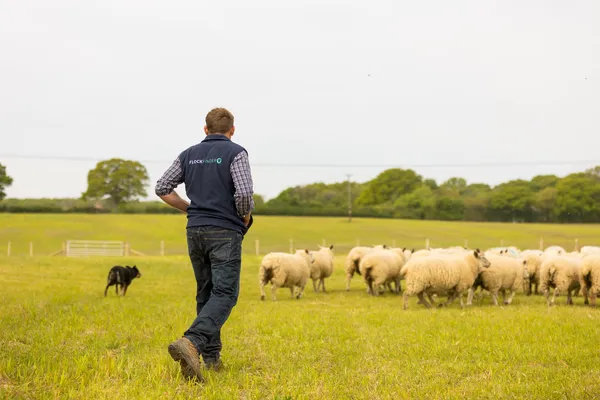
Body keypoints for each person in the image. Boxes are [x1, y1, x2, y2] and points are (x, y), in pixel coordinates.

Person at [155, 107, 254, 383]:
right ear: (232, 130)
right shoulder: (237, 153)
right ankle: (192, 342)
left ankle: (210, 359)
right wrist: (244, 217)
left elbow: (162, 187)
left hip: (195, 230)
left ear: (205, 129)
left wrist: (189, 208)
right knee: (225, 293)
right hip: (224, 230)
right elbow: (244, 193)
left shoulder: (188, 154)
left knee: (206, 292)